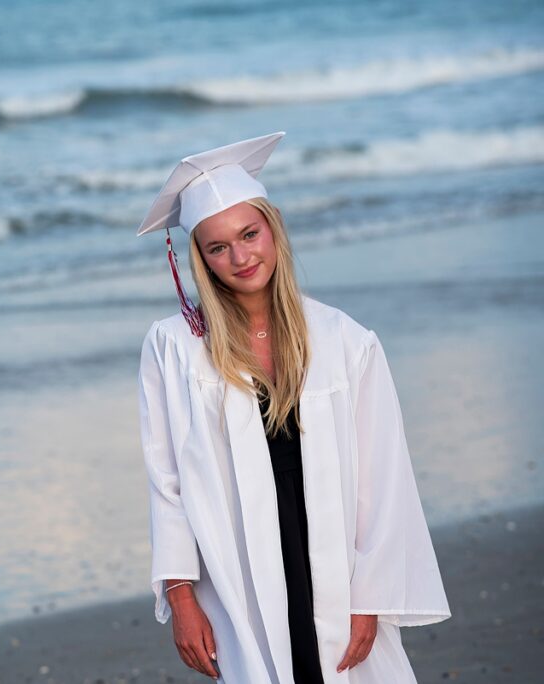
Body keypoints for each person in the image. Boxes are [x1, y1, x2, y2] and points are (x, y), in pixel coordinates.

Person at [135, 132, 451, 683]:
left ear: (273, 229)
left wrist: (369, 598)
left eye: (250, 234)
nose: (240, 256)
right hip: (238, 570)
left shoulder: (345, 341)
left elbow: (382, 478)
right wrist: (181, 598)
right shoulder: (174, 347)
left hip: (332, 565)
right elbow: (167, 482)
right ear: (201, 259)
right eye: (217, 247)